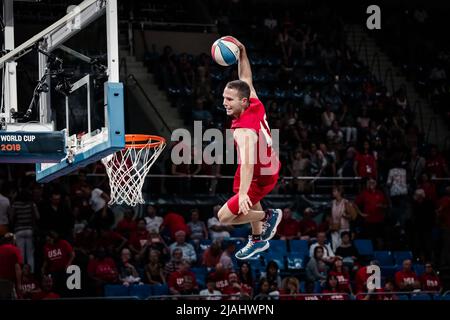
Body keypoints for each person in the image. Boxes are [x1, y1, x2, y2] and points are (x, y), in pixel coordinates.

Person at [216, 37, 282, 260]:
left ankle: (268, 216)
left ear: (242, 102)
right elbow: (246, 78)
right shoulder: (253, 100)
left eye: (230, 99)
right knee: (246, 198)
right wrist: (242, 52)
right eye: (224, 97)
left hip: (261, 173)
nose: (225, 102)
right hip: (268, 162)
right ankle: (256, 239)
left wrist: (244, 192)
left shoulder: (244, 130)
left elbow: (247, 163)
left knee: (224, 217)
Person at [9, 190, 39, 273]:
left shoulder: (15, 205)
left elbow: (11, 218)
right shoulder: (31, 204)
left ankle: (22, 273)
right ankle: (31, 273)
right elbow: (37, 216)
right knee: (30, 255)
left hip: (18, 230)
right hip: (29, 230)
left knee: (21, 254)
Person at [355, 178, 388, 246]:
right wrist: (361, 213)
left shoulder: (380, 193)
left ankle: (379, 254)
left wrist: (382, 206)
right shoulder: (364, 193)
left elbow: (386, 205)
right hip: (368, 221)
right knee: (369, 239)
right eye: (370, 182)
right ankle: (370, 255)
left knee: (380, 239)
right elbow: (354, 204)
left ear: (376, 183)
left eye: (373, 182)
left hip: (379, 220)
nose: (371, 184)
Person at [41, 231, 75, 296]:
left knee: (66, 287)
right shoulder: (46, 247)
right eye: (47, 240)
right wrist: (43, 267)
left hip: (64, 269)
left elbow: (72, 254)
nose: (48, 241)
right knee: (54, 287)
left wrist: (68, 264)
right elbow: (46, 260)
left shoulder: (63, 243)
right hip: (54, 270)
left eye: (49, 240)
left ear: (54, 238)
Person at [0, 233, 22, 299]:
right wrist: (19, 285)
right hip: (8, 283)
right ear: (13, 240)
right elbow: (17, 268)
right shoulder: (15, 250)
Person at [330, 186, 351, 250]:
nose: (333, 193)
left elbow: (351, 216)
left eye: (334, 191)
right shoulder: (333, 202)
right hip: (335, 228)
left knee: (342, 247)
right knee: (334, 247)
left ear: (339, 192)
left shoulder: (345, 202)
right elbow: (331, 215)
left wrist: (345, 216)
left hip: (343, 228)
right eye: (333, 191)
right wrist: (330, 225)